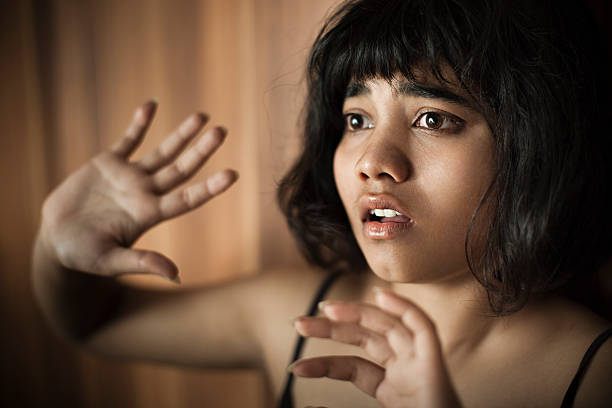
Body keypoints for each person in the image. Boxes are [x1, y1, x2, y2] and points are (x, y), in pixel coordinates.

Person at [32, 0, 612, 407]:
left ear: (535, 145)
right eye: (357, 119)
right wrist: (56, 248)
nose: (371, 160)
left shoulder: (595, 376)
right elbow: (96, 323)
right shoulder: (293, 314)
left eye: (433, 119)